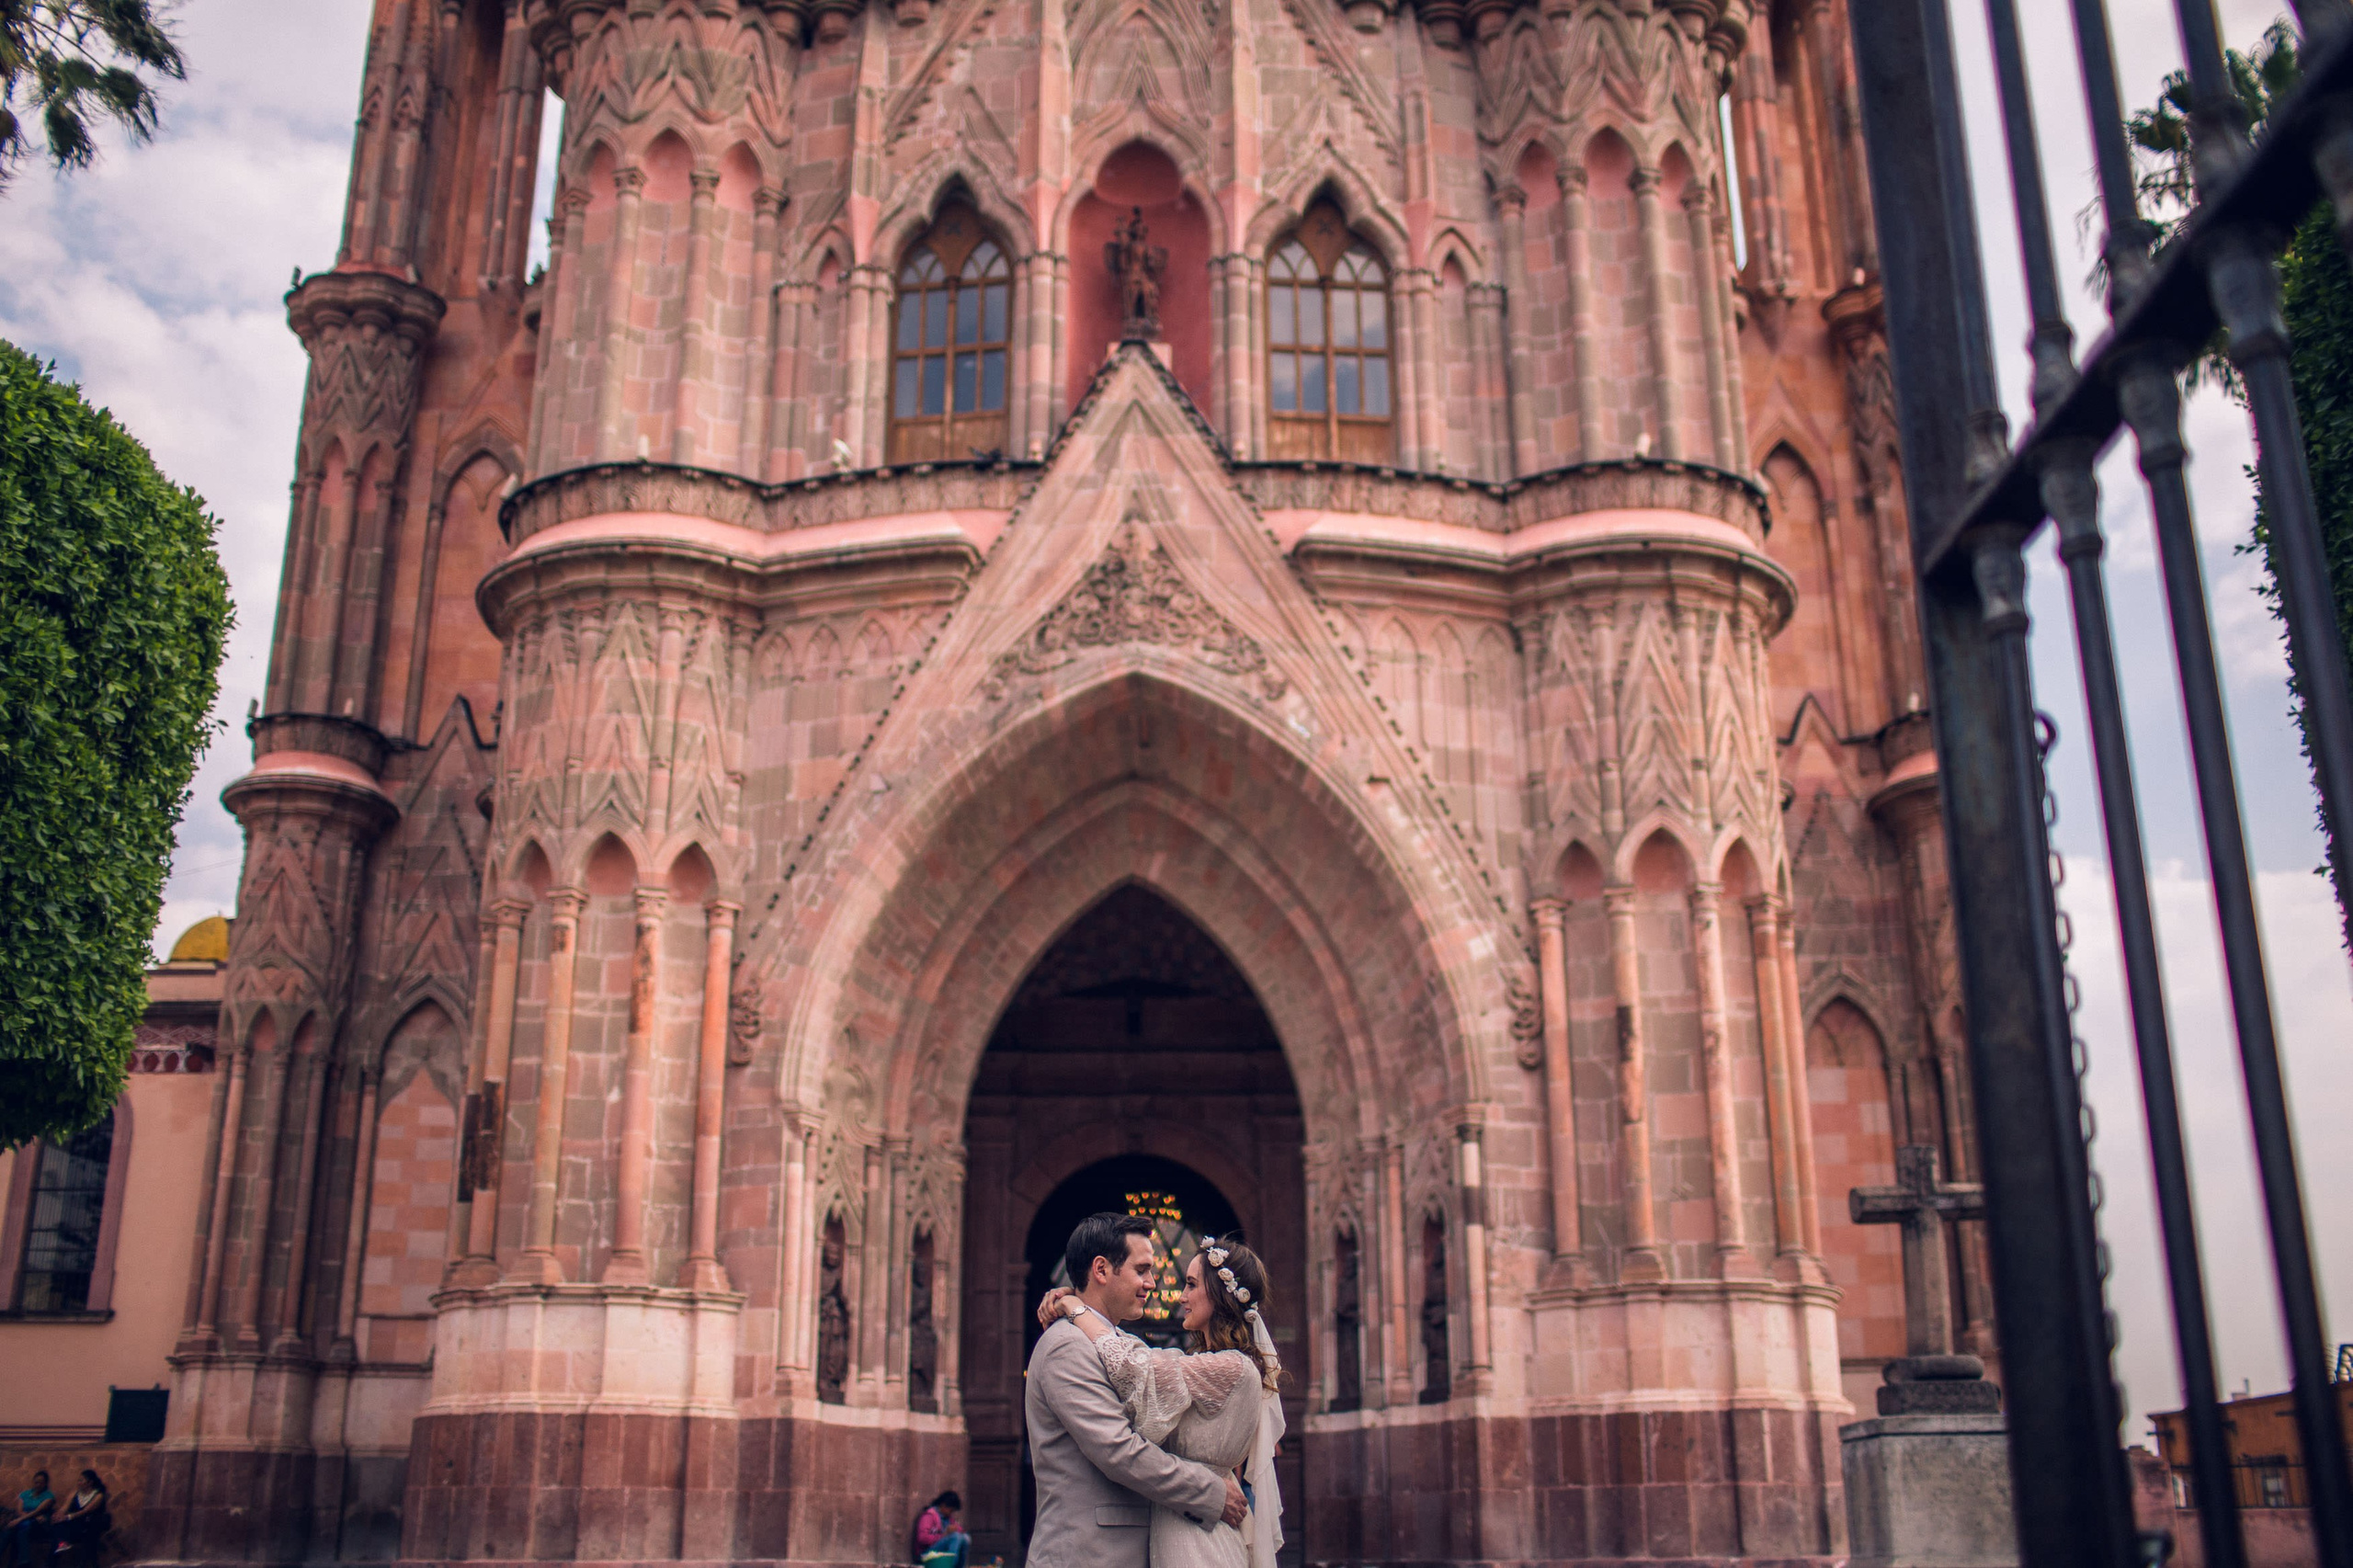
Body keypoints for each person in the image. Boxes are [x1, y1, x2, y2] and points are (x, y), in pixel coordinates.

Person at [1039, 1236, 1285, 1568]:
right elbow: (1137, 1360)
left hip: (1200, 1537)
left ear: (1218, 1293)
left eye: (1191, 1284)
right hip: (1183, 1524)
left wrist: (1075, 1306)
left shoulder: (1232, 1368)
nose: (1181, 1296)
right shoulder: (1205, 1365)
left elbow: (1132, 1365)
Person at [0, 1471, 55, 1568]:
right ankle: (24, 1562)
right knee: (9, 1530)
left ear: (45, 1483)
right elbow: (19, 1510)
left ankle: (23, 1561)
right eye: (36, 1482)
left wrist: (21, 1519)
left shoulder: (49, 1496)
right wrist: (25, 1518)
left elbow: (38, 1511)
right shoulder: (25, 1494)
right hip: (24, 1521)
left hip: (39, 1525)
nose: (38, 1485)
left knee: (20, 1529)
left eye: (41, 1483)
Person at [51, 1472, 106, 1567]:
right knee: (58, 1526)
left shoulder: (98, 1495)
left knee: (86, 1535)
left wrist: (68, 1517)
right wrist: (58, 1515)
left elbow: (86, 1511)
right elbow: (65, 1507)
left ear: (90, 1483)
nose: (79, 1483)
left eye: (81, 1480)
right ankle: (56, 1556)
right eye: (78, 1480)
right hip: (75, 1524)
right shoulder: (75, 1493)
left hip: (90, 1525)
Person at [911, 1489, 965, 1568]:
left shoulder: (948, 1518)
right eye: (950, 1510)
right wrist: (944, 1535)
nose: (951, 1513)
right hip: (926, 1553)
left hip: (940, 1552)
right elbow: (922, 1538)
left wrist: (957, 1530)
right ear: (943, 1505)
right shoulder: (929, 1515)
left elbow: (960, 1530)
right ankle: (951, 1565)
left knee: (965, 1538)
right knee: (955, 1537)